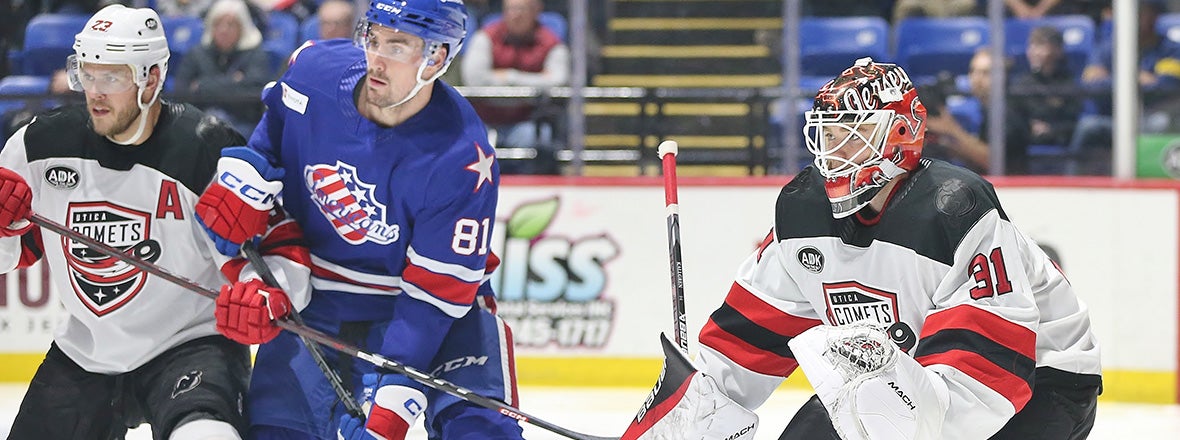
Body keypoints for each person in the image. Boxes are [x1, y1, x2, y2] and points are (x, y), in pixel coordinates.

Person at [623, 58, 1102, 440]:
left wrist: (905, 420)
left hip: (1044, 381)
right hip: (905, 377)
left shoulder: (953, 209)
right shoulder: (802, 210)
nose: (834, 152)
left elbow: (990, 371)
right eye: (829, 135)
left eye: (853, 136)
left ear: (899, 137)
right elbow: (746, 340)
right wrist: (691, 412)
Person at [192, 0, 524, 439]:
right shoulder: (314, 71)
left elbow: (433, 298)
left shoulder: (462, 157)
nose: (377, 60)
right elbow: (276, 129)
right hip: (322, 298)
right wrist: (248, 178)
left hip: (434, 312)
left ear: (436, 58)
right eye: (373, 38)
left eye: (398, 46)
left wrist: (390, 413)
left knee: (482, 432)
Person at [0, 4, 262, 439]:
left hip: (190, 344)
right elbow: (6, 256)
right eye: (87, 74)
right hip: (87, 351)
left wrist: (258, 292)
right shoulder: (36, 145)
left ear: (152, 79)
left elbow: (257, 259)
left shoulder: (208, 150)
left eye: (113, 77)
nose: (95, 92)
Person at [460, 0, 570, 175]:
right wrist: (537, 80)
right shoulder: (485, 37)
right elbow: (474, 79)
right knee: (461, 143)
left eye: (522, 9)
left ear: (536, 11)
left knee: (541, 139)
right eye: (511, 9)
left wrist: (510, 76)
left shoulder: (551, 42)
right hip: (484, 121)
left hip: (526, 121)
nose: (516, 15)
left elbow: (557, 81)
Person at [173, 0, 274, 136]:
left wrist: (202, 85)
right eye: (217, 24)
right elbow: (181, 92)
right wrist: (235, 81)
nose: (223, 30)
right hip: (199, 121)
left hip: (241, 122)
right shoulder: (196, 54)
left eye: (230, 24)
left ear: (242, 27)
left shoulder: (255, 54)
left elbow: (255, 95)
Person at [924, 48, 1032, 174]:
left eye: (985, 73)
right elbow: (976, 156)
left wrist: (951, 129)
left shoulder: (1009, 112)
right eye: (973, 71)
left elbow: (992, 162)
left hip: (1013, 188)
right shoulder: (984, 108)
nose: (976, 78)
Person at [1009, 26, 1082, 148]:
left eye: (1040, 45)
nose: (1034, 52)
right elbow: (1013, 118)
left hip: (1061, 143)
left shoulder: (1068, 84)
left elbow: (1073, 121)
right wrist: (1029, 126)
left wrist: (1051, 129)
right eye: (1031, 46)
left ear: (1058, 50)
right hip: (1026, 143)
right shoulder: (1020, 84)